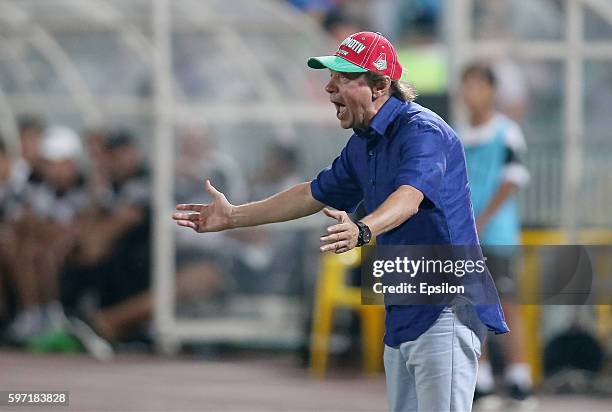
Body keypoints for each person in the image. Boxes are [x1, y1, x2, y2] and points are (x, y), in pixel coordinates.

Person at [172, 31, 508, 412]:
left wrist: (363, 229)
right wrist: (234, 216)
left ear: (380, 86)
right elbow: (311, 194)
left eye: (345, 78)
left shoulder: (422, 130)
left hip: (447, 305)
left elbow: (409, 198)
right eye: (331, 76)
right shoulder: (364, 142)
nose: (330, 87)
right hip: (405, 308)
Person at [458, 63, 533, 407]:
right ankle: (482, 382)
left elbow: (512, 180)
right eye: (466, 85)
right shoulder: (457, 135)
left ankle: (520, 379)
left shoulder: (507, 132)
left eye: (477, 85)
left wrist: (483, 218)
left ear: (491, 90)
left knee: (507, 304)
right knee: (471, 305)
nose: (470, 93)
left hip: (498, 235)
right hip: (465, 237)